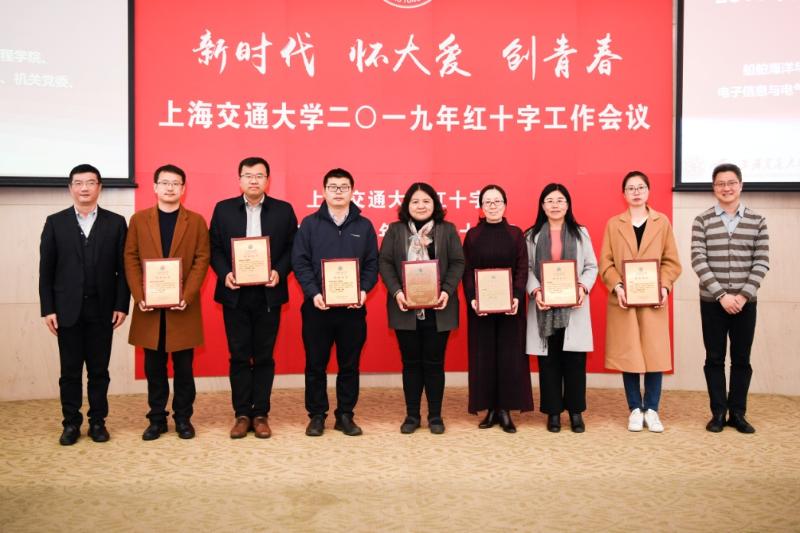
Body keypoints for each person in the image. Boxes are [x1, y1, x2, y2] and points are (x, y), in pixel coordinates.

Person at [39, 164, 130, 446]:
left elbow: (124, 269)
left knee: (99, 371)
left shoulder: (116, 223)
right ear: (70, 188)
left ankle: (98, 422)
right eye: (78, 183)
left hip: (103, 310)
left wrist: (121, 305)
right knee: (70, 372)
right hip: (66, 311)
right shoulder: (55, 222)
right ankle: (70, 423)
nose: (85, 188)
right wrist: (48, 309)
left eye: (90, 182)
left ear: (99, 187)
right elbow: (46, 270)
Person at [209, 156, 297, 439]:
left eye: (259, 176)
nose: (254, 180)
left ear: (267, 180)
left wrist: (279, 271)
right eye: (248, 175)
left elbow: (293, 248)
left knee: (263, 356)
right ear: (240, 180)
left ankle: (260, 414)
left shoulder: (283, 210)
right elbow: (214, 248)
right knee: (238, 355)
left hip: (268, 294)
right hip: (235, 294)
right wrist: (225, 273)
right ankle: (242, 414)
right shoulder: (223, 209)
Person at [124, 164, 210, 441]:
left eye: (176, 183)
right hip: (149, 308)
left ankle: (183, 418)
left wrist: (187, 295)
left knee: (184, 368)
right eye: (164, 182)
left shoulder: (196, 221)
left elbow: (202, 260)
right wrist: (140, 296)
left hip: (183, 307)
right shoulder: (139, 220)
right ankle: (157, 419)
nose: (170, 188)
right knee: (154, 367)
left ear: (183, 188)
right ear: (155, 187)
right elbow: (130, 258)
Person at [292, 168, 379, 437]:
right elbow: (300, 262)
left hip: (352, 310)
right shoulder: (309, 224)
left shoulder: (364, 226)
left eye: (344, 187)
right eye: (333, 187)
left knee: (349, 365)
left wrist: (363, 290)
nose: (338, 192)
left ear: (352, 191)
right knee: (315, 364)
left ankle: (345, 415)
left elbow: (372, 264)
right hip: (317, 308)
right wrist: (313, 293)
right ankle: (317, 415)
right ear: (323, 191)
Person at [378, 183, 465, 434]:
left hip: (439, 308)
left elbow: (458, 262)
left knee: (435, 363)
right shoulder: (395, 230)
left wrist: (446, 291)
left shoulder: (447, 230)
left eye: (426, 201)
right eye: (415, 201)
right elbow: (385, 263)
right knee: (411, 363)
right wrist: (397, 292)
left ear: (434, 204)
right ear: (407, 205)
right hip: (405, 308)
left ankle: (435, 416)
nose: (420, 206)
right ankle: (412, 415)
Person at [600, 171, 681, 433]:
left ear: (648, 191)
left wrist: (664, 287)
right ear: (623, 194)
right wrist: (618, 287)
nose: (636, 192)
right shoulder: (614, 224)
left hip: (653, 300)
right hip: (624, 300)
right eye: (631, 188)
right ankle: (635, 408)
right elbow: (606, 263)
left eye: (641, 187)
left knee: (655, 355)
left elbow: (671, 262)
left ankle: (652, 409)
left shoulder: (662, 222)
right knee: (630, 354)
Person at [691, 163, 769, 434]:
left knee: (741, 359)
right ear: (714, 188)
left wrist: (743, 295)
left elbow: (762, 262)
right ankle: (718, 413)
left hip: (746, 303)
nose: (726, 188)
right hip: (712, 302)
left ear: (741, 185)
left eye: (731, 183)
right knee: (714, 358)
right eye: (720, 183)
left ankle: (738, 413)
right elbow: (698, 260)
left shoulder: (757, 221)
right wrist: (722, 295)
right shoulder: (702, 220)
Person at [526, 183, 598, 433]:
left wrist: (582, 288)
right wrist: (536, 291)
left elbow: (591, 266)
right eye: (550, 201)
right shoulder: (531, 235)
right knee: (549, 362)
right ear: (542, 206)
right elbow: (526, 269)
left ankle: (576, 412)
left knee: (575, 361)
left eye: (560, 200)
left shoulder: (580, 233)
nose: (555, 205)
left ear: (568, 205)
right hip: (544, 308)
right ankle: (553, 412)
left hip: (573, 308)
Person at [462, 184, 533, 433]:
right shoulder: (472, 236)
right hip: (480, 309)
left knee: (509, 357)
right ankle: (490, 409)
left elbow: (522, 268)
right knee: (484, 357)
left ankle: (505, 410)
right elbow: (467, 270)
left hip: (510, 308)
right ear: (481, 207)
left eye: (497, 201)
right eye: (487, 202)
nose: (492, 206)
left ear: (505, 205)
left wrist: (516, 297)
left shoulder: (516, 234)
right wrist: (472, 298)